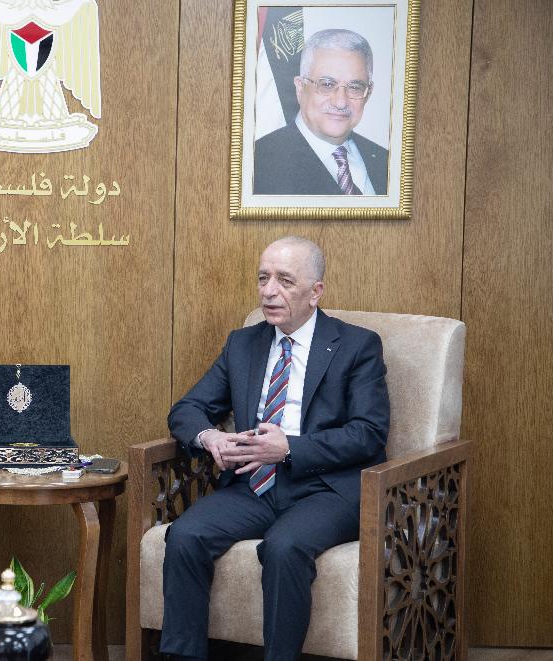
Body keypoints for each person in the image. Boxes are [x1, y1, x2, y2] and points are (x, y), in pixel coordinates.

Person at [159, 236, 390, 661]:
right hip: (254, 486)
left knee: (284, 548)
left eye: (284, 281)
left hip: (325, 489)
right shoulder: (243, 344)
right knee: (186, 535)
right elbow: (187, 410)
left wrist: (290, 449)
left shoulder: (357, 346)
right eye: (263, 278)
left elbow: (368, 433)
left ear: (316, 291)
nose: (269, 291)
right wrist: (210, 437)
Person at [253, 29, 389, 196]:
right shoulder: (257, 163)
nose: (340, 102)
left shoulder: (387, 162)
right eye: (327, 85)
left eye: (354, 87)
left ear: (368, 93)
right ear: (300, 88)